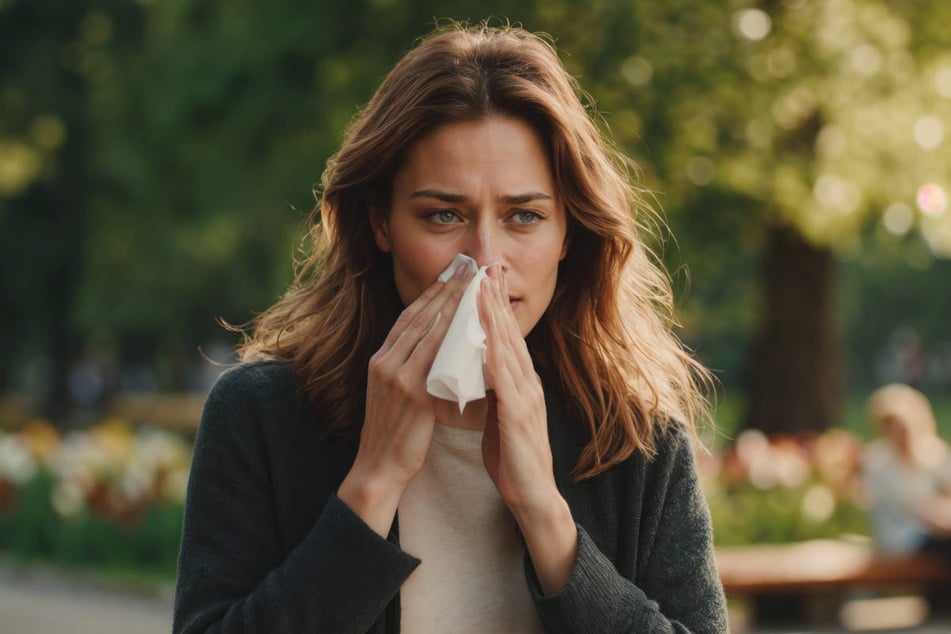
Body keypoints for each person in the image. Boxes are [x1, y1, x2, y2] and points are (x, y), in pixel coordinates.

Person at [173, 21, 728, 633]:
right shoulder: (261, 415)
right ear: (381, 223)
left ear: (568, 232)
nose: (486, 260)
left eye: (524, 216)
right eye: (443, 215)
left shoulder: (635, 434)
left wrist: (544, 514)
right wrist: (373, 483)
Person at [863, 383, 951, 560]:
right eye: (896, 427)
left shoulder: (934, 453)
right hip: (902, 539)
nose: (904, 433)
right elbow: (920, 511)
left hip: (934, 534)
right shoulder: (878, 463)